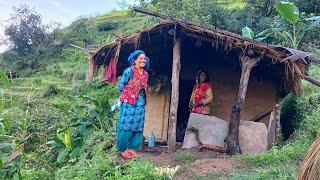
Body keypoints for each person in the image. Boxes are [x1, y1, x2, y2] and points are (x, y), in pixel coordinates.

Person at [117, 50, 150, 159]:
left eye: (144, 59)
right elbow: (121, 85)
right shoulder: (129, 71)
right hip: (129, 101)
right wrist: (128, 94)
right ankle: (122, 149)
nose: (143, 60)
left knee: (138, 125)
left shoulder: (145, 74)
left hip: (140, 101)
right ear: (135, 60)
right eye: (140, 58)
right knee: (126, 124)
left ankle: (132, 149)